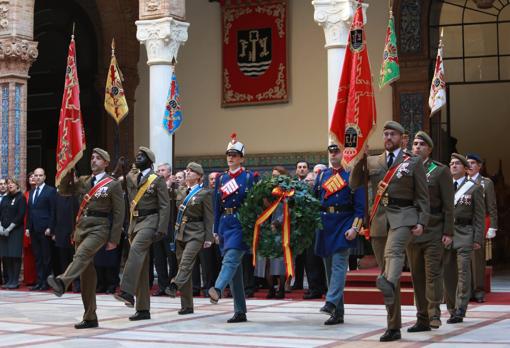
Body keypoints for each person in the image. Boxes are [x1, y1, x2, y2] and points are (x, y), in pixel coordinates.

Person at [350, 121, 429, 342]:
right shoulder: (374, 160)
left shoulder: (412, 162)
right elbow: (354, 183)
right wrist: (360, 159)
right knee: (387, 277)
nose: (387, 137)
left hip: (404, 216)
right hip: (379, 220)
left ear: (402, 138)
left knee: (394, 253)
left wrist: (422, 221)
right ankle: (392, 326)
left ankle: (387, 282)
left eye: (392, 134)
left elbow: (423, 195)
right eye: (385, 134)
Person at [46, 148, 125, 329]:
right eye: (92, 158)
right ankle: (90, 316)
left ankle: (62, 281)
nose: (94, 161)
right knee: (86, 273)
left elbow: (119, 213)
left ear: (106, 163)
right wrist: (68, 170)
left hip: (100, 227)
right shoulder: (83, 181)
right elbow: (64, 191)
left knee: (81, 256)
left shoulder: (112, 184)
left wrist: (114, 238)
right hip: (81, 227)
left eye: (99, 158)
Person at [114, 146, 170, 321]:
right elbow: (122, 186)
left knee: (135, 251)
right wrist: (120, 168)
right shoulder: (132, 177)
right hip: (135, 223)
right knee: (142, 265)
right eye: (136, 155)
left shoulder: (157, 180)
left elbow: (164, 205)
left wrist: (161, 228)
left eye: (141, 156)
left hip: (150, 221)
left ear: (149, 160)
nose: (137, 157)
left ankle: (127, 291)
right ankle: (143, 309)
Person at [208, 134, 258, 323]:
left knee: (230, 260)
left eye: (235, 155)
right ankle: (240, 311)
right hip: (225, 224)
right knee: (235, 271)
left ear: (242, 158)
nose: (231, 158)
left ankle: (218, 289)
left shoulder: (249, 177)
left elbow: (254, 204)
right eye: (229, 154)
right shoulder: (221, 179)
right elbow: (216, 206)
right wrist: (216, 229)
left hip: (241, 223)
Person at [407, 131, 454, 331]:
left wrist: (448, 231)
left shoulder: (440, 171)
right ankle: (422, 317)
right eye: (415, 144)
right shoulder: (405, 169)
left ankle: (434, 313)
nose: (417, 147)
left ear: (429, 149)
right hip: (412, 230)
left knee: (432, 274)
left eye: (421, 144)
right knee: (416, 276)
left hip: (434, 228)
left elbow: (448, 204)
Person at [315, 145, 365, 325]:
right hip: (325, 225)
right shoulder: (322, 175)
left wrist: (355, 228)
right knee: (329, 270)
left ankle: (330, 302)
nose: (333, 154)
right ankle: (338, 313)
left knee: (338, 266)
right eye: (331, 152)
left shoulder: (352, 175)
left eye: (337, 151)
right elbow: (315, 202)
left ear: (345, 153)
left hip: (343, 224)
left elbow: (360, 209)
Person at [166, 162, 214, 314]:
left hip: (196, 233)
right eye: (187, 170)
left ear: (199, 176)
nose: (188, 173)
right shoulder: (180, 190)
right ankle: (187, 305)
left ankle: (174, 285)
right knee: (183, 268)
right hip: (180, 233)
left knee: (186, 263)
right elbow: (165, 194)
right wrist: (168, 183)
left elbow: (208, 217)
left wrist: (209, 237)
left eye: (191, 171)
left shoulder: (204, 193)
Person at [444, 153, 484, 324]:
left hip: (465, 233)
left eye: (457, 164)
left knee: (463, 273)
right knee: (448, 273)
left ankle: (460, 309)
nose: (453, 166)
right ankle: (451, 308)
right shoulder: (445, 187)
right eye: (451, 163)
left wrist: (477, 238)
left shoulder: (474, 188)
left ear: (465, 169)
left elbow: (479, 216)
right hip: (447, 233)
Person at [466, 153, 498, 303]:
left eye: (473, 163)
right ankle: (466, 290)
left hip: (479, 223)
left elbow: (491, 206)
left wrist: (493, 226)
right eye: (468, 163)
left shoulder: (486, 183)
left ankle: (478, 290)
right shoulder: (460, 181)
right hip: (462, 224)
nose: (470, 165)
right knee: (463, 258)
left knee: (477, 259)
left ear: (479, 166)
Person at [26, 168, 57, 291]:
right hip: (34, 229)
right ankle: (39, 282)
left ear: (44, 177)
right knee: (38, 257)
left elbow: (53, 211)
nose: (37, 177)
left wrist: (50, 227)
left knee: (46, 258)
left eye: (40, 175)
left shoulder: (50, 191)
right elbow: (30, 211)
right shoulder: (32, 192)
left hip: (45, 229)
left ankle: (45, 282)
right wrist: (28, 227)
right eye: (35, 175)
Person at [151, 162, 177, 296]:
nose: (160, 172)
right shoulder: (154, 188)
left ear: (169, 173)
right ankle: (162, 286)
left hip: (170, 228)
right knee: (159, 259)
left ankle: (171, 285)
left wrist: (168, 186)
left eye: (163, 170)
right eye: (158, 170)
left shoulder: (175, 187)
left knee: (172, 259)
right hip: (157, 227)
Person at [0, 177, 27, 289]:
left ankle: (15, 280)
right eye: (8, 183)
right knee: (6, 255)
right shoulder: (5, 198)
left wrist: (9, 228)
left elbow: (20, 215)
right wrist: (1, 227)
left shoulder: (21, 197)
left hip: (15, 230)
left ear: (17, 185)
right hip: (3, 231)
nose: (10, 185)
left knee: (14, 255)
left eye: (12, 183)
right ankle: (9, 280)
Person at [22, 173, 37, 286]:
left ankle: (38, 278)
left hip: (37, 225)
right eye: (30, 177)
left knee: (38, 253)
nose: (32, 178)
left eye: (34, 176)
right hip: (26, 225)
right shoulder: (25, 194)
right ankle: (29, 279)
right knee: (28, 253)